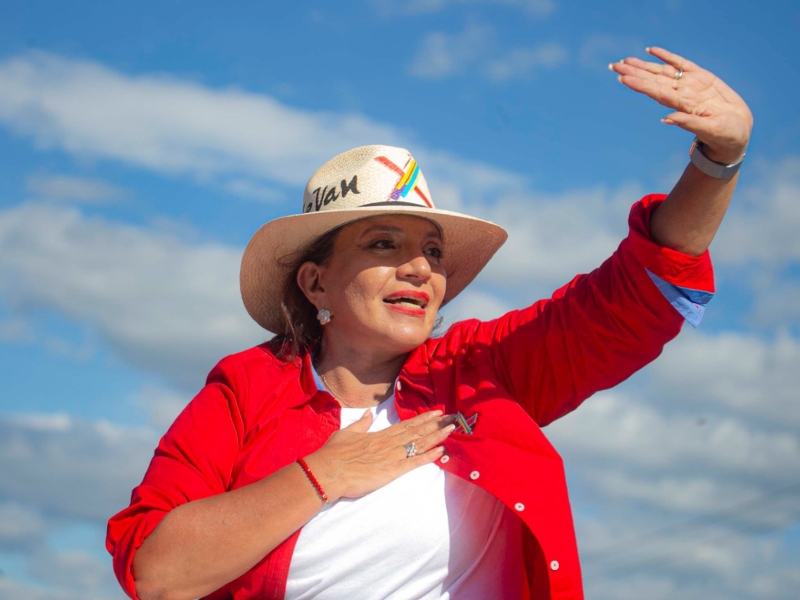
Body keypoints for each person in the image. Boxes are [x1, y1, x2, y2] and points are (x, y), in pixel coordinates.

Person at [107, 47, 752, 600]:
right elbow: (156, 572)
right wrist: (323, 474)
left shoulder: (478, 372)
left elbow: (630, 297)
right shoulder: (247, 387)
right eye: (385, 244)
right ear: (315, 282)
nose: (420, 268)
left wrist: (716, 161)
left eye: (433, 252)